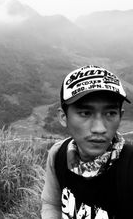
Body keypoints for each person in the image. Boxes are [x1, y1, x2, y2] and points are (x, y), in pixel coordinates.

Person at [41, 65, 133, 218]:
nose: (99, 128)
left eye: (110, 113)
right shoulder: (58, 154)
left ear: (120, 116)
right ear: (64, 117)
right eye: (85, 113)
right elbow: (51, 203)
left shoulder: (129, 165)